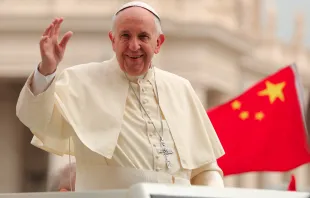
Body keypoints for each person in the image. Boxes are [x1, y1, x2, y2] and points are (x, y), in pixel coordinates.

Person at [16, 1, 225, 191]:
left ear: (158, 43)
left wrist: (215, 192)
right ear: (113, 40)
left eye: (143, 36)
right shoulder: (81, 80)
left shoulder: (182, 88)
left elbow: (206, 169)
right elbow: (36, 119)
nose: (134, 46)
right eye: (125, 36)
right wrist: (46, 70)